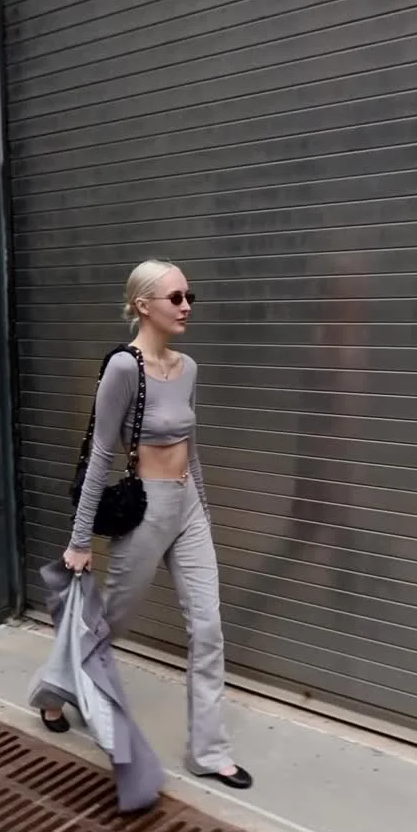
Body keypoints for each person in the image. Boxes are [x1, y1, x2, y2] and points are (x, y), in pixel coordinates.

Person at [43, 258, 252, 790]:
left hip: (188, 509)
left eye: (189, 297)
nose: (186, 306)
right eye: (175, 298)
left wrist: (204, 510)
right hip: (146, 509)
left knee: (208, 629)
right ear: (142, 305)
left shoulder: (189, 368)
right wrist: (79, 541)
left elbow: (191, 448)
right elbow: (99, 455)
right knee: (109, 625)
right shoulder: (123, 368)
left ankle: (209, 751)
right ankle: (55, 690)